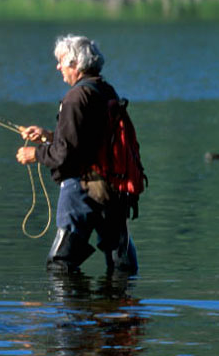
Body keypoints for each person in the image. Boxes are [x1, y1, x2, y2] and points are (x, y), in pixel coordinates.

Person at [16, 34, 138, 275]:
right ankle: (117, 309)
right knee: (121, 264)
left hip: (82, 189)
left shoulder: (75, 98)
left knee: (60, 265)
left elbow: (65, 155)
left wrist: (35, 154)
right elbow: (87, 139)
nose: (58, 66)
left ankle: (75, 313)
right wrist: (49, 136)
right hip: (113, 187)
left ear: (75, 64)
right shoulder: (104, 89)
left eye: (62, 61)